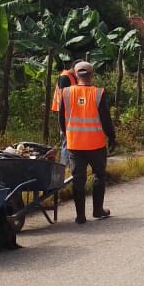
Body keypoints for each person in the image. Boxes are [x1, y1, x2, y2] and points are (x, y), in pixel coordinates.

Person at [57, 61, 116, 222]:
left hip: (74, 145)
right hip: (96, 144)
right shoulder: (98, 93)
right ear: (92, 75)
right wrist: (112, 136)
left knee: (78, 179)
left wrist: (67, 134)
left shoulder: (66, 93)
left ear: (76, 75)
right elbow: (105, 119)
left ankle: (80, 216)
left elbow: (61, 119)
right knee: (99, 176)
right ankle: (98, 210)